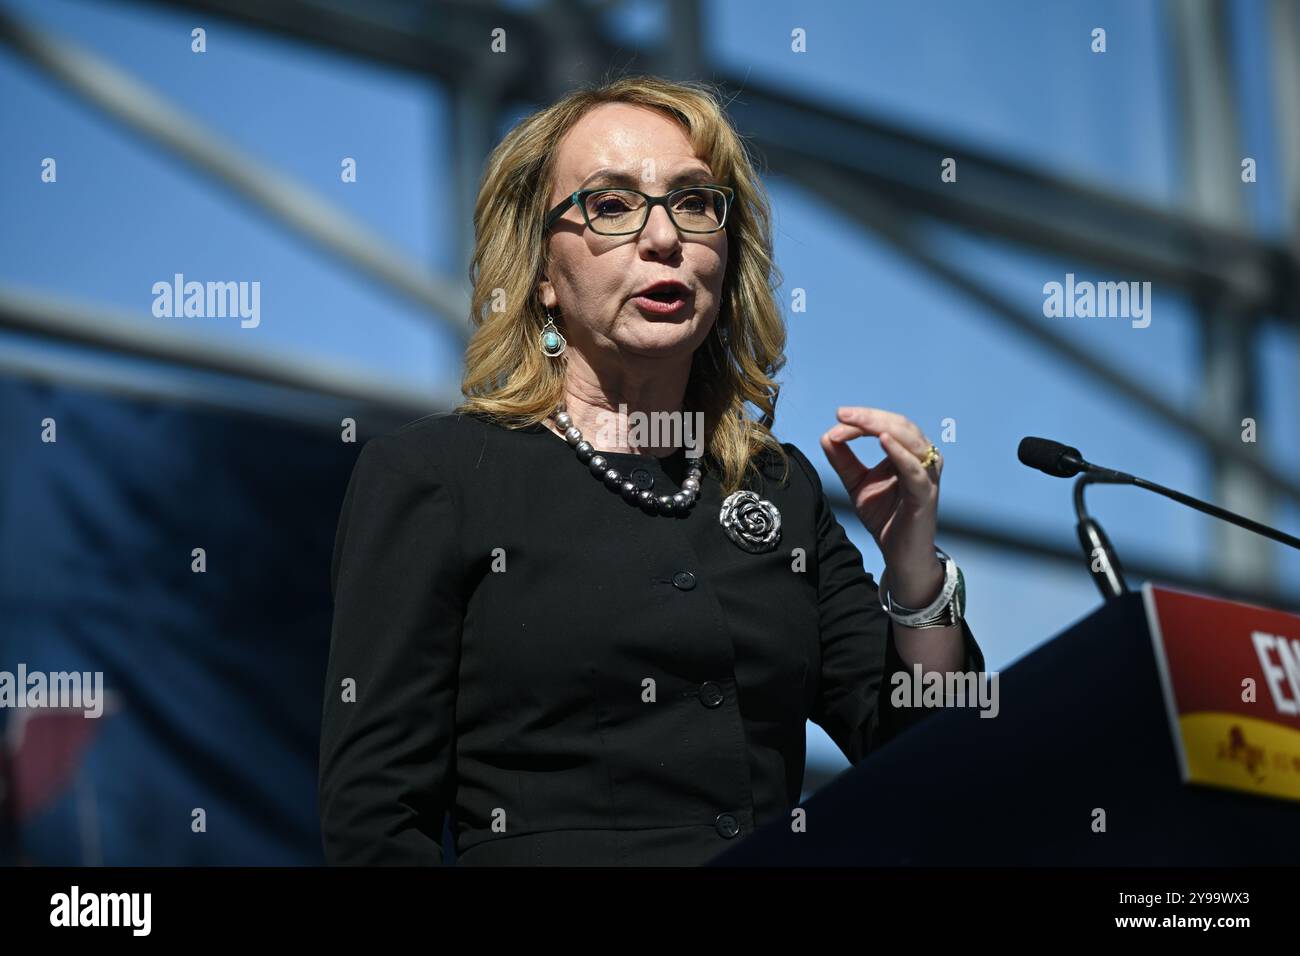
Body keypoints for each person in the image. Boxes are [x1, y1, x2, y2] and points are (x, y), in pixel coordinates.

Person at [318, 74, 984, 866]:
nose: (664, 238)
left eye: (695, 203)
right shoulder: (437, 476)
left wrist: (913, 573)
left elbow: (935, 758)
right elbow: (374, 822)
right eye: (611, 205)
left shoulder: (776, 486)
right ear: (539, 271)